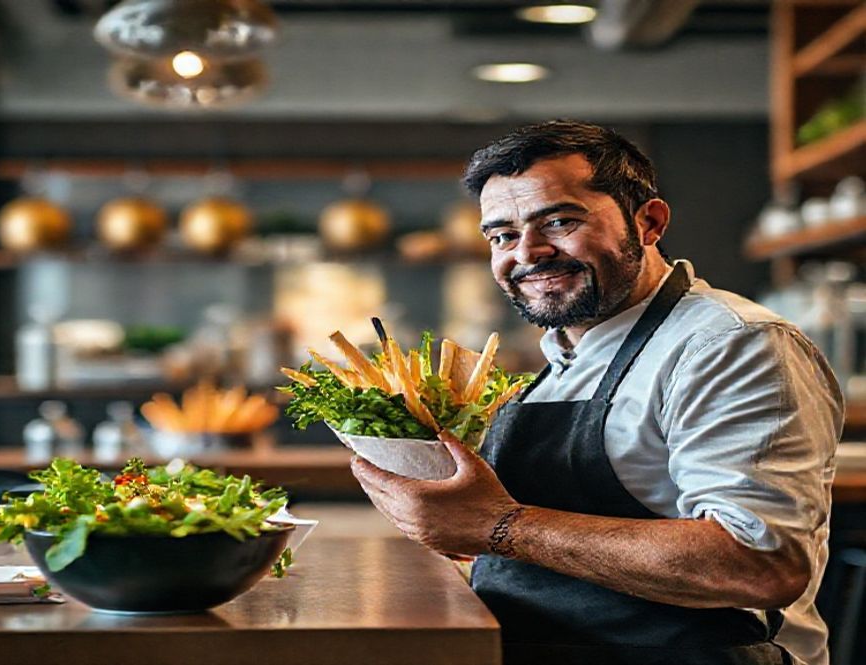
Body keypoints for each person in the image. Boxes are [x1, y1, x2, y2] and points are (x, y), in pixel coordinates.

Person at [351, 120, 844, 665]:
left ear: (649, 222)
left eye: (559, 221)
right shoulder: (560, 355)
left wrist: (497, 526)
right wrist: (467, 536)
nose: (528, 253)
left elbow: (759, 562)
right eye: (502, 236)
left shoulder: (730, 344)